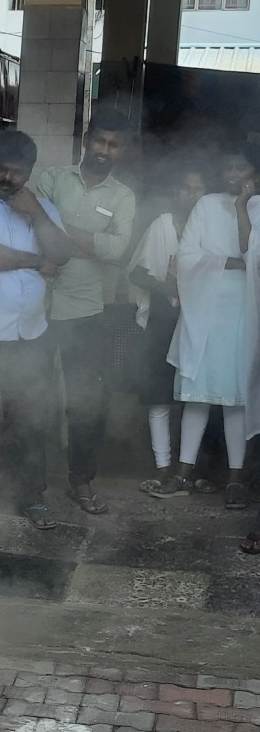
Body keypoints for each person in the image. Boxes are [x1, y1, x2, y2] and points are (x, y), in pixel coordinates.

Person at [0, 129, 73, 530]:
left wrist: (38, 215)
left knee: (32, 416)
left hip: (32, 332)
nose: (8, 178)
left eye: (17, 171)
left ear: (29, 171)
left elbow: (62, 254)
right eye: (1, 170)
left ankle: (31, 498)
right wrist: (35, 261)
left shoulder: (39, 206)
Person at [36, 110, 137, 516]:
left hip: (87, 311)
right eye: (100, 142)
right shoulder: (53, 179)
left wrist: (61, 232)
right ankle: (31, 485)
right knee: (31, 398)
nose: (105, 150)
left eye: (113, 145)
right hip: (38, 307)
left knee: (86, 401)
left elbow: (117, 251)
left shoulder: (123, 196)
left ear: (121, 151)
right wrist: (89, 241)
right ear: (86, 141)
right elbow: (33, 229)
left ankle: (81, 480)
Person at [155, 149, 256, 509]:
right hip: (202, 311)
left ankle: (236, 478)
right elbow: (186, 257)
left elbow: (254, 257)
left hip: (244, 313)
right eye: (227, 165)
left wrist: (244, 207)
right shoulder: (207, 205)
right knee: (197, 392)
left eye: (239, 166)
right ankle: (183, 471)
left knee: (235, 398)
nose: (232, 172)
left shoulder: (259, 207)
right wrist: (230, 263)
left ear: (254, 171)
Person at [133, 169, 206, 495]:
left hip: (201, 320)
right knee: (159, 395)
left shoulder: (210, 229)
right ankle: (163, 466)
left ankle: (187, 468)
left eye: (196, 190)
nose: (189, 195)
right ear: (175, 192)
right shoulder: (162, 225)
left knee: (197, 394)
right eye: (184, 188)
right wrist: (170, 287)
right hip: (165, 317)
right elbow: (136, 273)